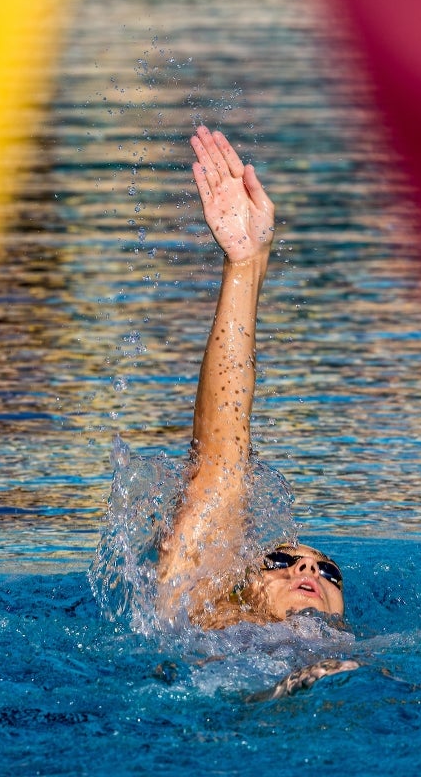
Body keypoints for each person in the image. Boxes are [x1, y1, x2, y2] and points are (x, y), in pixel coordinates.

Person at [155, 127, 347, 631]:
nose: (309, 568)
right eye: (282, 562)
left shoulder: (372, 659)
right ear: (239, 584)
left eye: (329, 571)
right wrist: (245, 264)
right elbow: (221, 462)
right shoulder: (203, 617)